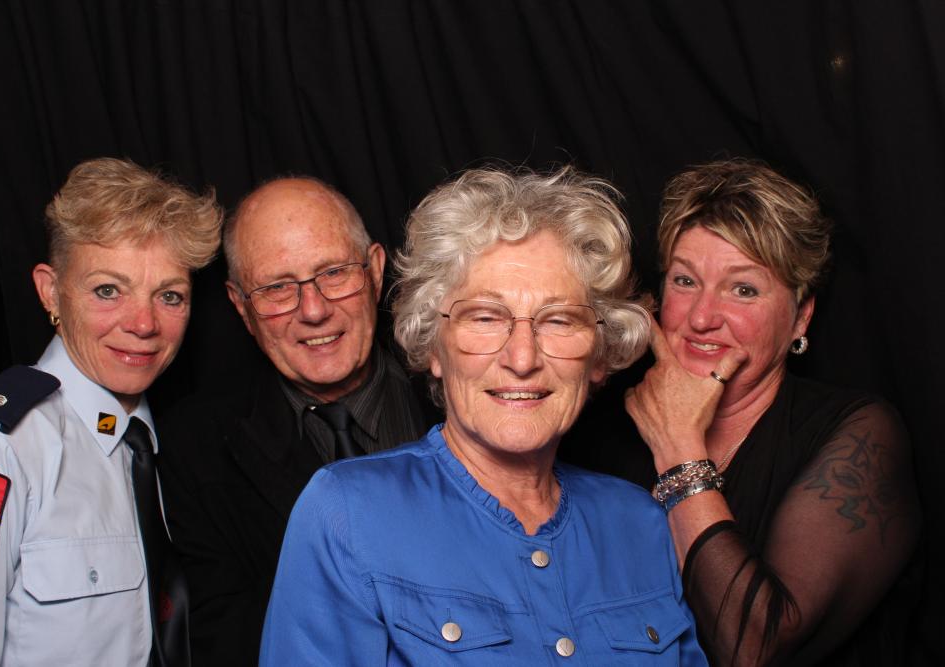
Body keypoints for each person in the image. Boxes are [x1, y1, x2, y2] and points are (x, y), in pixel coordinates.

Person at [260, 166, 708, 665]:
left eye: (559, 320)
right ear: (434, 345)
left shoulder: (640, 523)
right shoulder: (348, 512)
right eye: (485, 317)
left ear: (599, 355)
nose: (522, 358)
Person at [623, 159, 921, 665]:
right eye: (685, 280)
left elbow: (754, 650)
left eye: (743, 289)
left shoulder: (860, 433)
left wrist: (678, 448)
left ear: (800, 317)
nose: (701, 317)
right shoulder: (607, 428)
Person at [156, 177, 429, 665]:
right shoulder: (193, 446)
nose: (314, 310)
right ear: (241, 305)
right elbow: (224, 640)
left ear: (375, 271)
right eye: (277, 288)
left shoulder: (462, 397)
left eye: (334, 272)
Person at [0, 157, 222, 666]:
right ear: (50, 291)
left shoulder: (164, 446)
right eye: (108, 290)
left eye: (170, 296)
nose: (144, 324)